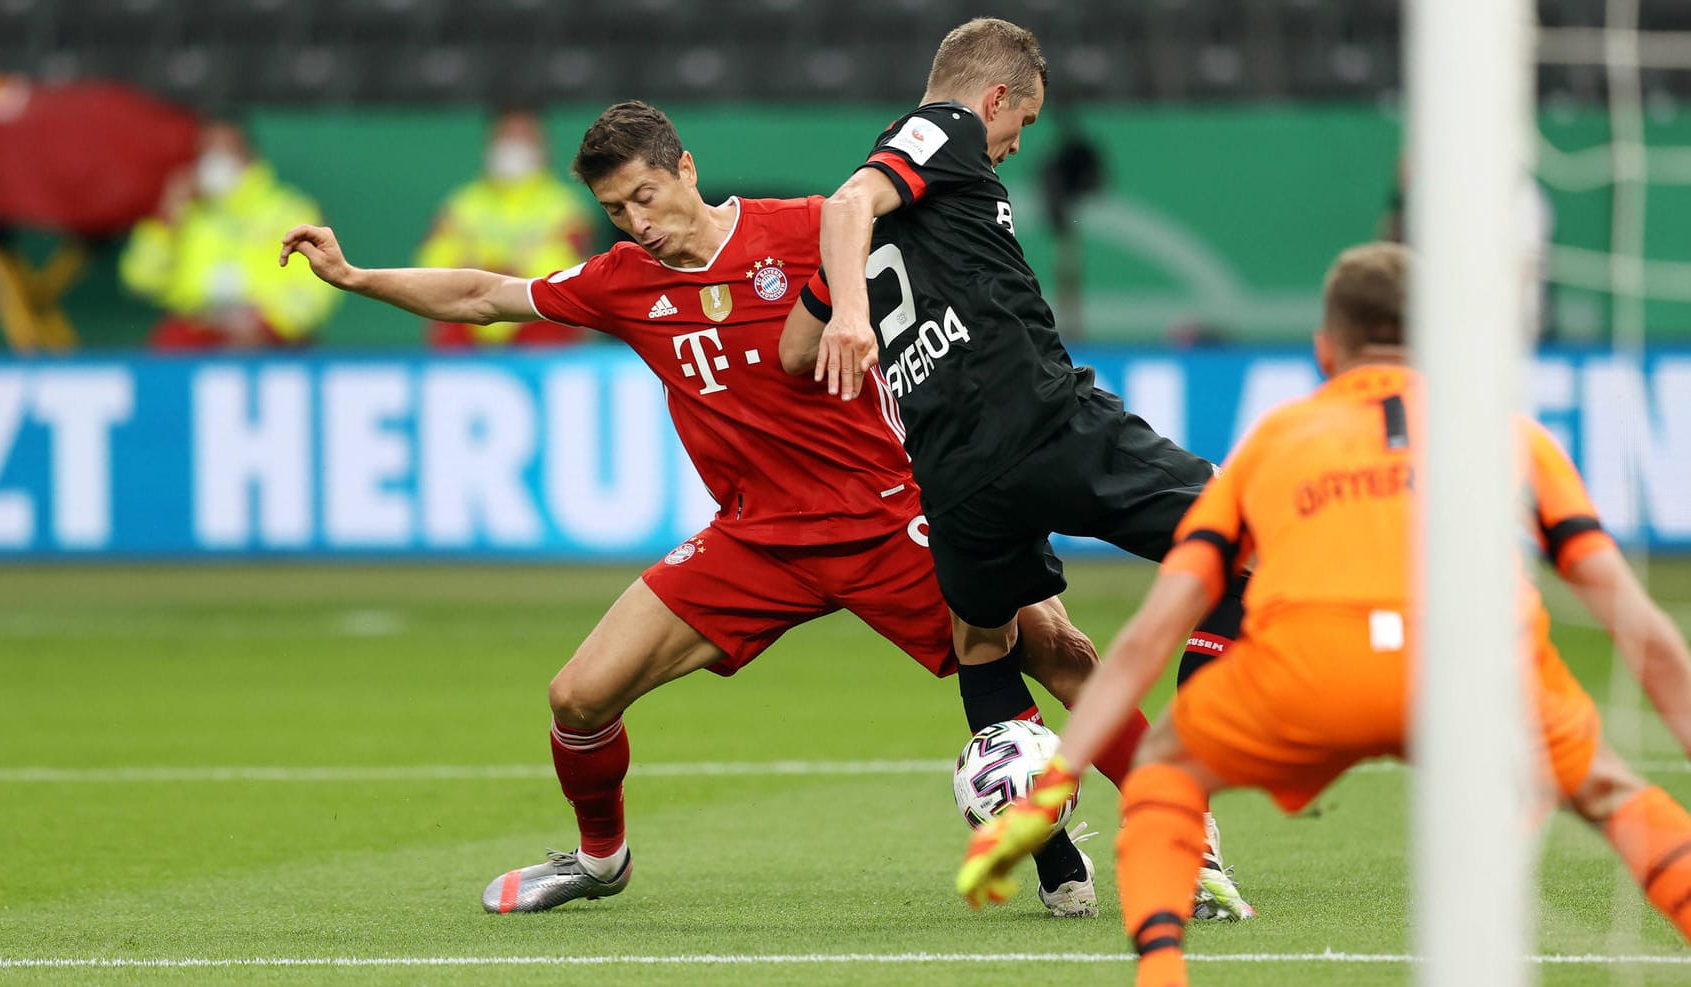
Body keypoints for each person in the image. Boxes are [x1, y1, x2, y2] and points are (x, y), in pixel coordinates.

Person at [279, 101, 1239, 919]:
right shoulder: (623, 282)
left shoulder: (813, 228)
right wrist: (360, 277)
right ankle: (600, 859)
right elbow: (490, 292)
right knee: (577, 697)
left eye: (644, 197)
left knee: (1057, 652)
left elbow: (936, 252)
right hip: (757, 539)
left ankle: (1181, 836)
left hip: (885, 517)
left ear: (686, 168)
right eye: (614, 210)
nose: (635, 223)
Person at [956, 242, 1691, 987]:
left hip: (1311, 670)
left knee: (1163, 777)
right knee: (1616, 794)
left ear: (1322, 349)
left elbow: (1155, 629)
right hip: (1474, 669)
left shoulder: (1273, 443)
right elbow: (1634, 618)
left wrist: (1055, 785)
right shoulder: (1508, 436)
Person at [784, 17, 1252, 917]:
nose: (1014, 144)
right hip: (1043, 421)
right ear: (994, 96)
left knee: (984, 642)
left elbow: (792, 351)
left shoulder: (900, 219)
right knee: (1244, 532)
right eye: (1022, 124)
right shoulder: (944, 132)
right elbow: (846, 212)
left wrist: (848, 309)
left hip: (954, 476)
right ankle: (1182, 819)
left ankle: (1057, 872)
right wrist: (853, 315)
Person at [122, 119, 338, 350]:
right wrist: (166, 219)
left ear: (249, 156)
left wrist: (267, 324)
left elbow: (317, 286)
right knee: (169, 341)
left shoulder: (290, 210)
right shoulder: (182, 213)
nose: (216, 162)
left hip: (272, 337)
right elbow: (141, 282)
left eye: (225, 151)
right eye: (208, 153)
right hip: (199, 333)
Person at [415, 107, 592, 349]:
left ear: (542, 147)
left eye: (522, 138)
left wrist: (489, 271)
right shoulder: (462, 204)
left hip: (534, 316)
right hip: (470, 314)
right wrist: (505, 271)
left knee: (559, 313)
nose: (512, 147)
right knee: (445, 317)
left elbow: (568, 271)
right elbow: (433, 260)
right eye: (506, 138)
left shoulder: (565, 208)